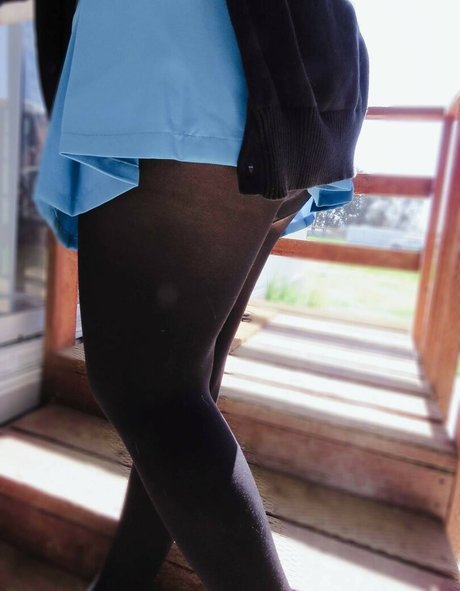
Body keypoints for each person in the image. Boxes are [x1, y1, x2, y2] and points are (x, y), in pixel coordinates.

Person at [28, 0, 369, 589]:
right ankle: (121, 581)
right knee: (183, 385)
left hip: (188, 53)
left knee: (151, 392)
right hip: (298, 62)